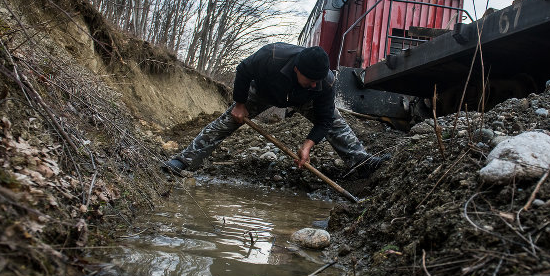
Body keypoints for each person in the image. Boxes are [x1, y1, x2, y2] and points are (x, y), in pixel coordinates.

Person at [162, 43, 388, 178]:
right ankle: (184, 160)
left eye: (317, 81)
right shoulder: (271, 56)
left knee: (337, 123)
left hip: (303, 100)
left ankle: (360, 162)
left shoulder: (324, 83)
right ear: (297, 69)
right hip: (264, 91)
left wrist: (307, 145)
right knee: (226, 121)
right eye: (310, 79)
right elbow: (243, 70)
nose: (314, 84)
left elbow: (325, 120)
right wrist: (240, 104)